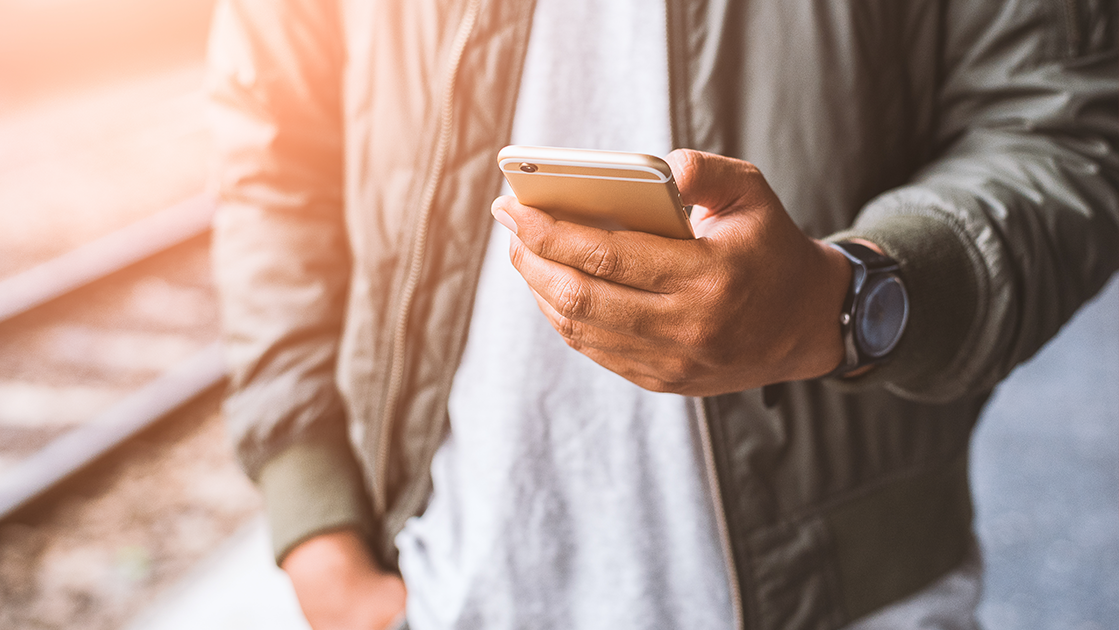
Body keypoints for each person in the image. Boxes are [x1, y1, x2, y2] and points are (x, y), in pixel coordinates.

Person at [205, 0, 1118, 628]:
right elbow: (276, 141)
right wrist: (313, 517)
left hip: (843, 596)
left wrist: (847, 300)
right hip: (437, 580)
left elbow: (1066, 126)